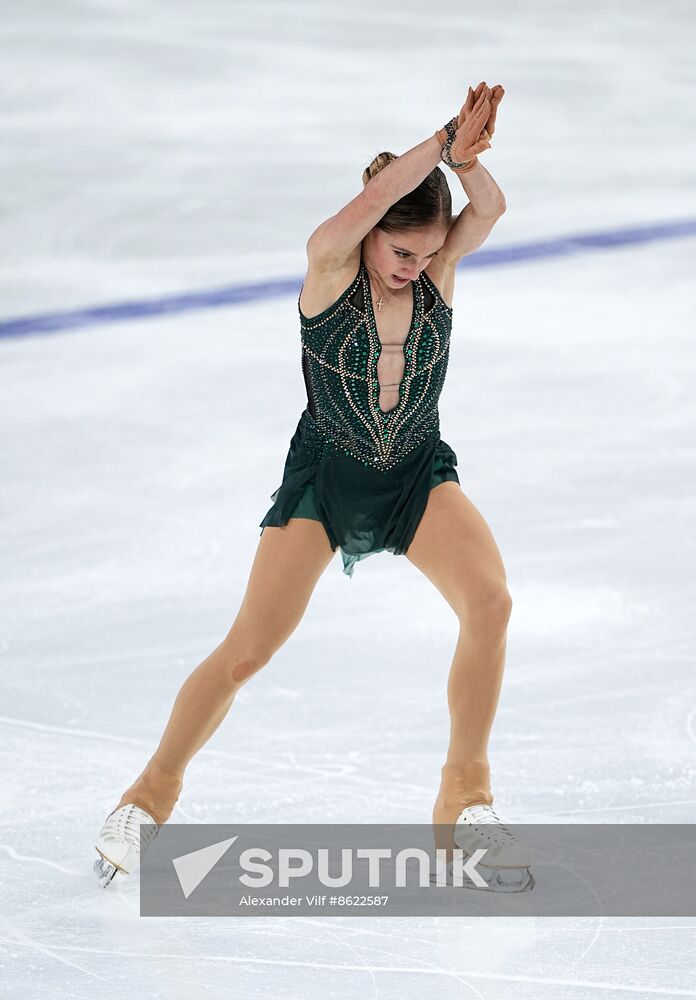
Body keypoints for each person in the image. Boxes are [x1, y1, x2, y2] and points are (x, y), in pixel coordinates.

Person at [94, 81, 532, 891]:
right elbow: (372, 199)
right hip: (325, 481)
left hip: (415, 475)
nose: (419, 267)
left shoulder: (433, 271)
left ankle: (463, 798)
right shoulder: (331, 266)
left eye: (431, 254)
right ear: (369, 237)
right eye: (404, 252)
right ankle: (148, 797)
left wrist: (465, 163)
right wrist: (441, 137)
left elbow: (491, 210)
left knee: (493, 602)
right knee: (246, 653)